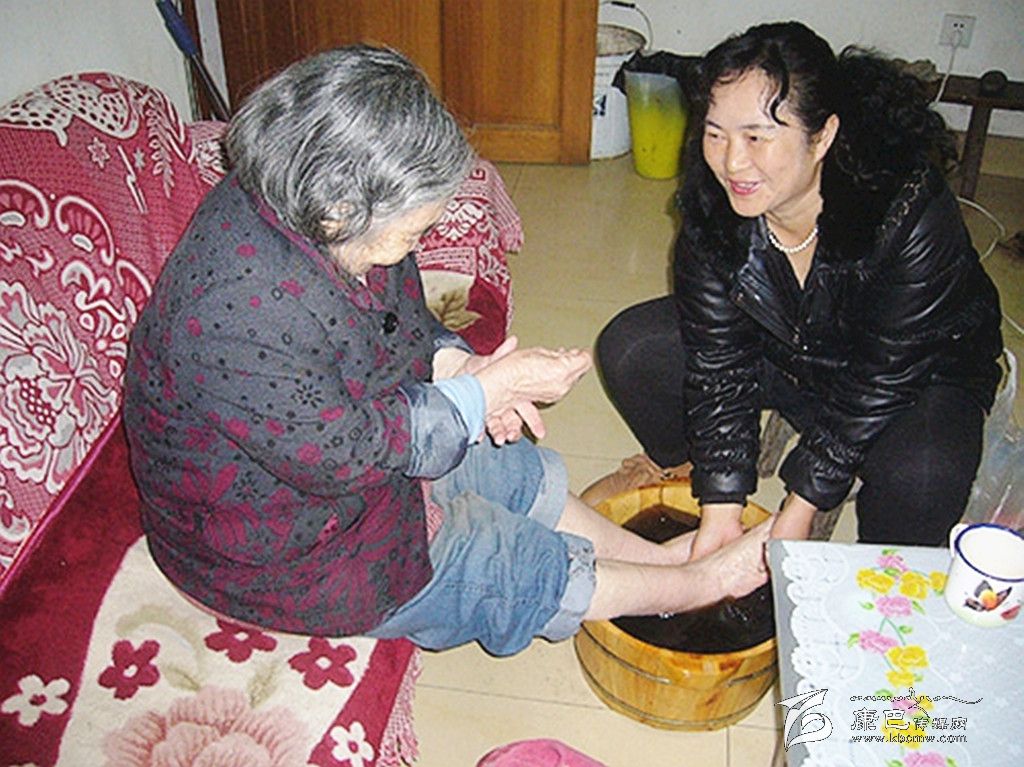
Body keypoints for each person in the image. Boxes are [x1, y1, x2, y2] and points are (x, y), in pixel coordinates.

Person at [123, 45, 769, 657]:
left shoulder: (313, 195)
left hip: (338, 454)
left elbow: (401, 318)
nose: (416, 246)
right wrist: (475, 397)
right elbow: (346, 455)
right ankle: (699, 586)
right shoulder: (235, 313)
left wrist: (458, 367)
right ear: (338, 213)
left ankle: (661, 561)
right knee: (498, 564)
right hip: (272, 546)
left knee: (497, 459)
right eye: (412, 232)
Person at [591, 22, 1003, 555]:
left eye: (757, 137)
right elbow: (720, 364)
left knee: (922, 478)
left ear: (823, 136)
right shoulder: (713, 205)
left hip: (916, 375)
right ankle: (684, 468)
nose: (732, 162)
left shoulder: (905, 207)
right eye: (716, 134)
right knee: (632, 349)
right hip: (794, 356)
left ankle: (879, 573)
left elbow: (883, 373)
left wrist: (803, 503)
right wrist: (721, 509)